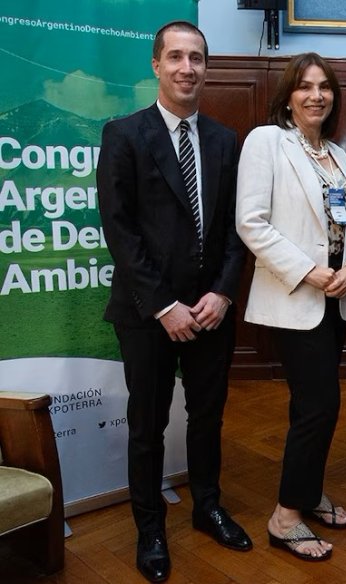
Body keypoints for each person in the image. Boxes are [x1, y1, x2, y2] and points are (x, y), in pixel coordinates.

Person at [97, 20, 250, 583]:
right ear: (156, 66)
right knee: (148, 425)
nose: (188, 68)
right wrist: (165, 305)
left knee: (208, 418)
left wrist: (223, 293)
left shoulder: (225, 140)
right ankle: (151, 528)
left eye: (198, 59)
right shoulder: (124, 135)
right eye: (177, 57)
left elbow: (239, 229)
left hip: (211, 311)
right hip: (148, 315)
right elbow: (119, 229)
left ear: (207, 68)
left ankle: (209, 507)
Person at [235, 52, 346, 562]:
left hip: (336, 300)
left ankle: (308, 492)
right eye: (305, 86)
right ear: (288, 96)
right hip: (296, 298)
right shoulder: (267, 141)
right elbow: (252, 222)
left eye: (325, 86)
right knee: (321, 405)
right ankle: (286, 515)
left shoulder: (336, 153)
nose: (316, 94)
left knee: (309, 406)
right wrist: (307, 270)